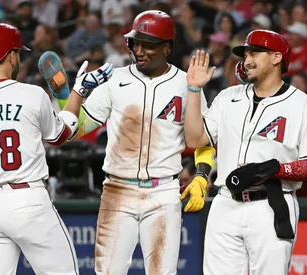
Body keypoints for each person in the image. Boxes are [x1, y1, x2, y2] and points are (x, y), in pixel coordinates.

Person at [39, 10, 216, 275]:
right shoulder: (115, 78)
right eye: (135, 43)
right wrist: (68, 98)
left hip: (163, 191)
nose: (140, 50)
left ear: (167, 47)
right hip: (117, 189)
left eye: (149, 44)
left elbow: (202, 141)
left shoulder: (186, 83)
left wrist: (201, 177)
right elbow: (79, 127)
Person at [0, 23, 114, 275]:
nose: (18, 58)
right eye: (18, 53)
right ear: (11, 56)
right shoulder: (31, 94)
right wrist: (78, 92)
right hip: (27, 200)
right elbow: (61, 135)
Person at [184, 30, 307, 274]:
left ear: (276, 58)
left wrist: (277, 170)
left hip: (271, 202)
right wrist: (194, 91)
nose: (246, 60)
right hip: (224, 202)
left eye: (254, 53)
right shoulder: (228, 97)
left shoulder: (303, 105)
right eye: (245, 54)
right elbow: (194, 139)